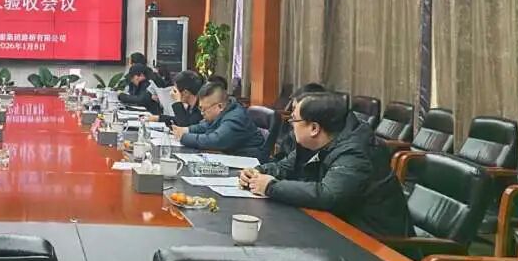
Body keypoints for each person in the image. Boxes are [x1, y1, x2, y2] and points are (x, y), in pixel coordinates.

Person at [239, 91, 411, 237]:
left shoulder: (356, 152)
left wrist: (271, 187)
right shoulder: (315, 142)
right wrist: (257, 172)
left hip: (374, 242)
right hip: (335, 227)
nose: (291, 126)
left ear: (314, 128)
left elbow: (328, 195)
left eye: (294, 120)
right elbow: (284, 167)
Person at [174, 80, 265, 160]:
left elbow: (216, 140)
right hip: (232, 156)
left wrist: (183, 137)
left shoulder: (235, 118)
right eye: (200, 108)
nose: (202, 113)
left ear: (220, 106)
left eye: (204, 109)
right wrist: (187, 130)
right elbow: (206, 125)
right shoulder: (225, 111)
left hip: (248, 163)